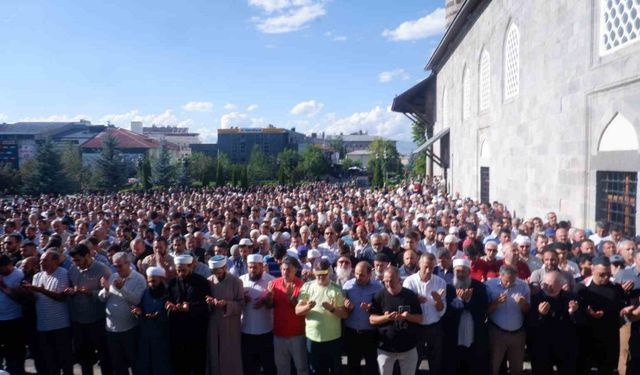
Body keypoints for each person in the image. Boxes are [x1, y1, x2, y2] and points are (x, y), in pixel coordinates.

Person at [66, 244, 112, 375]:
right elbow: (71, 287)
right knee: (84, 358)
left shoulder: (102, 269)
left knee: (104, 357)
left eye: (78, 260)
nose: (75, 263)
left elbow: (110, 293)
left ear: (87, 256)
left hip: (97, 321)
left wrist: (91, 293)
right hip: (79, 321)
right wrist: (71, 292)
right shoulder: (73, 270)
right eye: (73, 261)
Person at [576, 256, 627, 375]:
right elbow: (575, 311)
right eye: (601, 274)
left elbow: (619, 308)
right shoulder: (582, 288)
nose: (605, 278)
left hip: (609, 337)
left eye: (608, 274)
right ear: (592, 270)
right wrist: (587, 312)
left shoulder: (616, 288)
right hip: (587, 337)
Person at [296, 258, 347, 375]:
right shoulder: (307, 287)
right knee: (315, 371)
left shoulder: (336, 288)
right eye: (318, 274)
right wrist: (307, 307)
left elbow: (344, 314)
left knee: (335, 370)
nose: (320, 277)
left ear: (328, 272)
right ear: (313, 272)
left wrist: (332, 309)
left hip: (333, 339)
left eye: (323, 274)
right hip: (313, 338)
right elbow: (297, 311)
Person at [98, 251, 146, 375]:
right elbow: (101, 298)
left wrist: (122, 289)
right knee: (118, 364)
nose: (117, 268)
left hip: (129, 329)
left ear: (128, 264)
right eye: (115, 266)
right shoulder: (113, 276)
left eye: (120, 265)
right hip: (111, 329)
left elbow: (137, 300)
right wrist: (106, 289)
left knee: (134, 361)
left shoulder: (139, 279)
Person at [369, 266, 423, 375]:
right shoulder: (379, 295)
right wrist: (386, 318)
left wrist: (407, 317)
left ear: (399, 280)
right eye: (386, 281)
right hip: (386, 348)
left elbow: (420, 319)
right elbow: (371, 319)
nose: (388, 284)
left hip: (408, 347)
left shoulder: (410, 295)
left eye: (391, 281)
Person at [527, 271, 580, 375]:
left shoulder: (571, 298)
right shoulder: (536, 299)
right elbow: (530, 324)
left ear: (561, 284)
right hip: (542, 347)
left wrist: (572, 313)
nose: (547, 287)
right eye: (545, 284)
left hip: (565, 346)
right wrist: (540, 315)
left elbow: (580, 323)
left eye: (552, 284)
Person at [402, 253, 446, 374]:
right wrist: (415, 299)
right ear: (419, 264)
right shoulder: (409, 282)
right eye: (426, 266)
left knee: (435, 361)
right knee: (414, 360)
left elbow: (441, 310)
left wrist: (437, 300)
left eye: (431, 267)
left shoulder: (440, 282)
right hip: (416, 327)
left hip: (434, 327)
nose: (428, 270)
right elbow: (404, 306)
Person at [166, 254, 210, 375]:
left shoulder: (201, 282)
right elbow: (168, 299)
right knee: (180, 364)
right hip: (178, 330)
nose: (181, 273)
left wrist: (190, 308)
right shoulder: (173, 283)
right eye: (178, 270)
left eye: (183, 270)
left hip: (196, 329)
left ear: (191, 266)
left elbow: (206, 304)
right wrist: (169, 305)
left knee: (197, 363)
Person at [485, 264, 530, 375]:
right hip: (497, 332)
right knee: (493, 367)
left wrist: (523, 304)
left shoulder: (523, 286)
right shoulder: (489, 285)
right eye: (506, 282)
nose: (509, 284)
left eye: (512, 281)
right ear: (500, 275)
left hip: (517, 334)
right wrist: (495, 303)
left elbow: (528, 311)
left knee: (517, 368)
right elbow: (485, 311)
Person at [448, 257, 489, 375]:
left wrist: (467, 302)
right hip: (454, 332)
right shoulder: (449, 287)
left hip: (473, 332)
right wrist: (461, 300)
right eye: (457, 271)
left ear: (469, 272)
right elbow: (447, 313)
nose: (460, 274)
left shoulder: (479, 287)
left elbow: (483, 309)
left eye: (463, 271)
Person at [269, 256, 309, 375]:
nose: (285, 272)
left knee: (301, 368)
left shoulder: (302, 286)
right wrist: (270, 297)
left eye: (288, 270)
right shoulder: (274, 283)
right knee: (282, 368)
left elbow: (300, 309)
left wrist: (291, 296)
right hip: (279, 335)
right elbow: (269, 305)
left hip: (297, 335)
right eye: (283, 269)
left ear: (295, 270)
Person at [342, 261, 383, 375]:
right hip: (352, 332)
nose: (358, 277)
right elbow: (341, 308)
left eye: (361, 275)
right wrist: (346, 306)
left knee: (371, 365)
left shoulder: (378, 287)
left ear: (370, 274)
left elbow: (382, 308)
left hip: (370, 333)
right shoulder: (347, 286)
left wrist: (372, 308)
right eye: (356, 274)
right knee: (353, 365)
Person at [206, 255, 244, 375]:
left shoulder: (236, 282)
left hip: (230, 325)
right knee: (214, 354)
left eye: (219, 271)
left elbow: (241, 304)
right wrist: (210, 303)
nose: (216, 274)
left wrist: (227, 304)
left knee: (230, 355)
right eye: (214, 272)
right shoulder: (208, 281)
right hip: (213, 324)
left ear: (225, 267)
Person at [238, 254, 276, 375]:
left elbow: (275, 304)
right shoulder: (241, 280)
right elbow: (237, 302)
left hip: (266, 331)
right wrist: (243, 298)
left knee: (268, 366)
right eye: (250, 267)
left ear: (261, 266)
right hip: (246, 331)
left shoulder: (271, 281)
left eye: (255, 267)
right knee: (249, 367)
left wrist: (266, 300)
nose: (252, 270)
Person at [133, 266, 171, 375]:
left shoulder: (168, 293)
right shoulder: (145, 293)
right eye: (149, 282)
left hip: (162, 335)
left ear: (162, 280)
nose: (151, 284)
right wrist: (138, 312)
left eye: (154, 281)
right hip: (146, 335)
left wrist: (161, 314)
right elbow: (140, 309)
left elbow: (172, 312)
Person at [0, 253, 26, 375]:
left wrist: (3, 286)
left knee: (15, 350)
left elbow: (20, 298)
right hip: (1, 318)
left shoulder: (19, 275)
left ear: (9, 265)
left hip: (14, 319)